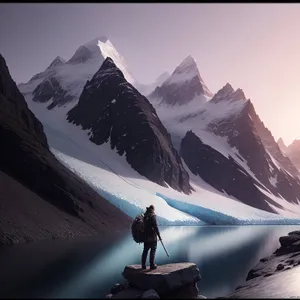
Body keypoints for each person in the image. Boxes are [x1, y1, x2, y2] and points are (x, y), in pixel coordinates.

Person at [141, 205, 161, 270]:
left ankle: (143, 265)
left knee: (145, 251)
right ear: (152, 209)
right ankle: (152, 265)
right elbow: (155, 226)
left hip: (145, 237)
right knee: (153, 250)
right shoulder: (152, 216)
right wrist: (159, 235)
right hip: (152, 237)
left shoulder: (145, 216)